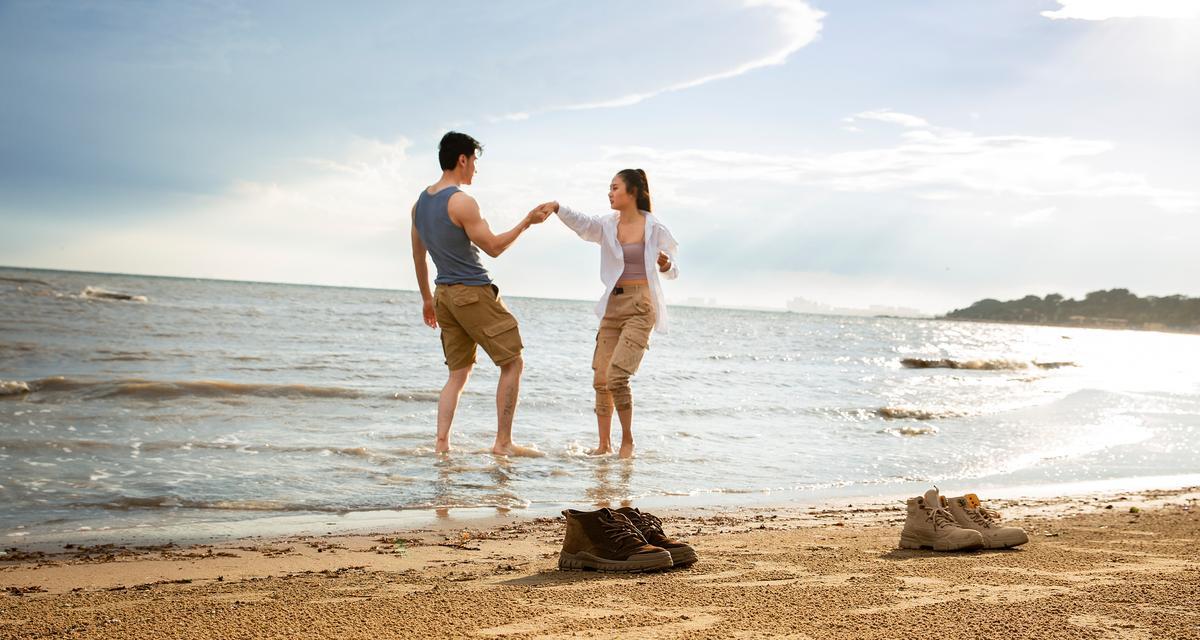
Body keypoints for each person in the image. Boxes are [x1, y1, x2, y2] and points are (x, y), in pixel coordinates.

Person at [410, 131, 553, 456]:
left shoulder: (419, 204)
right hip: (472, 292)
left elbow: (418, 255)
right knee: (512, 362)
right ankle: (503, 443)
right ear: (462, 159)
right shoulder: (460, 201)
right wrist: (527, 222)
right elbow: (493, 247)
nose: (475, 167)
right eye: (474, 161)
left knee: (457, 373)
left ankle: (441, 444)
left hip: (443, 295)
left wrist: (427, 299)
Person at [545, 169, 679, 458]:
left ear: (632, 193)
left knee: (617, 377)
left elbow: (674, 269)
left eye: (615, 188)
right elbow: (582, 223)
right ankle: (603, 445)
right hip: (613, 306)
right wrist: (557, 208)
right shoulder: (606, 225)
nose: (610, 192)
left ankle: (627, 442)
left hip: (641, 307)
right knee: (601, 379)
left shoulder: (654, 228)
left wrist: (666, 266)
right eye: (609, 187)